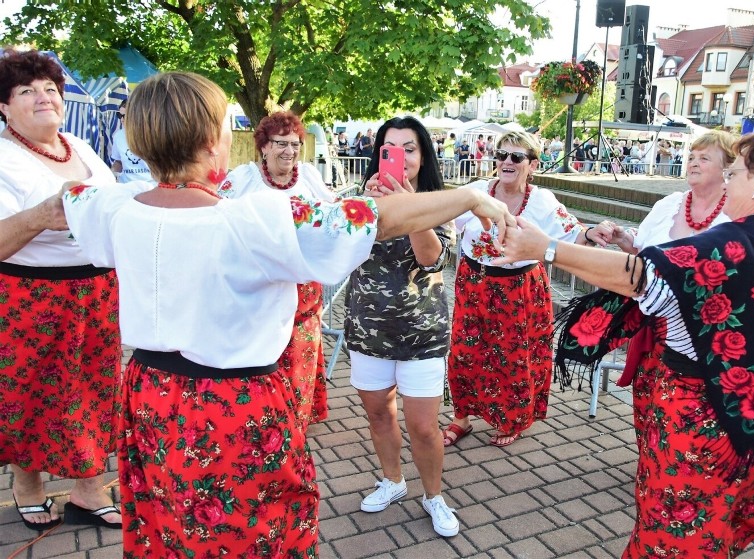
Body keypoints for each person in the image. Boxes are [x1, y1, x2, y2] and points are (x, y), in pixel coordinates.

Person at [59, 71, 514, 558]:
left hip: (150, 393)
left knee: (169, 525)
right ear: (216, 142)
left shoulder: (112, 206)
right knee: (259, 529)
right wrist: (469, 196)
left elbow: (62, 201)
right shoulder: (254, 218)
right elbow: (377, 220)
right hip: (236, 404)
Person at [494, 124, 754, 558]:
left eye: (735, 173)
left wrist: (546, 248)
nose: (730, 180)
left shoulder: (729, 244)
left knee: (673, 538)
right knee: (717, 532)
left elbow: (640, 278)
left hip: (698, 426)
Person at [0, 48, 122, 531]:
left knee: (92, 391)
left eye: (50, 88)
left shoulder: (82, 148)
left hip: (95, 293)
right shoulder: (3, 157)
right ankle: (26, 487)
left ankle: (88, 492)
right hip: (29, 298)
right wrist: (38, 217)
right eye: (26, 90)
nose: (43, 96)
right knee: (27, 395)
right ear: (4, 107)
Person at [344, 116, 459, 537]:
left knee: (425, 427)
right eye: (390, 148)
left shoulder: (436, 202)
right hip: (369, 330)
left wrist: (410, 206)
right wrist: (367, 211)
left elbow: (431, 258)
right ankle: (392, 481)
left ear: (422, 154)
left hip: (421, 332)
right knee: (378, 415)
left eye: (408, 148)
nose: (400, 156)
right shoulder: (364, 199)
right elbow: (347, 251)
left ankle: (433, 495)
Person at [443, 131, 585, 448]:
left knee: (514, 357)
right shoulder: (476, 192)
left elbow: (576, 236)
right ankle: (461, 417)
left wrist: (603, 235)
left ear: (532, 165)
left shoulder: (543, 202)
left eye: (516, 157)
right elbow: (443, 216)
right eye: (501, 155)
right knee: (464, 353)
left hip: (519, 288)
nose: (506, 161)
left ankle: (513, 419)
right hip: (474, 283)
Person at [585, 130, 736, 393]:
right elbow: (642, 250)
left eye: (704, 158)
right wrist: (623, 239)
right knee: (647, 400)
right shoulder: (670, 204)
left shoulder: (734, 213)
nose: (693, 163)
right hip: (654, 325)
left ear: (727, 168)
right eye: (691, 157)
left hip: (699, 334)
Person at [218, 110, 333, 428]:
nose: (290, 151)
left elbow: (333, 212)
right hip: (258, 286)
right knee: (261, 355)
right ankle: (260, 419)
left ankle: (293, 424)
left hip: (303, 287)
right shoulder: (244, 178)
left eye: (296, 144)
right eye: (281, 143)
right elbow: (217, 219)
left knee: (299, 357)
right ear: (264, 146)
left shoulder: (308, 175)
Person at [110, 99, 153, 183]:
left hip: (150, 186)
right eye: (119, 115)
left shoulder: (153, 135)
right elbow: (118, 162)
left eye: (125, 116)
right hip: (127, 187)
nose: (122, 119)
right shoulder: (118, 136)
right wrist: (110, 174)